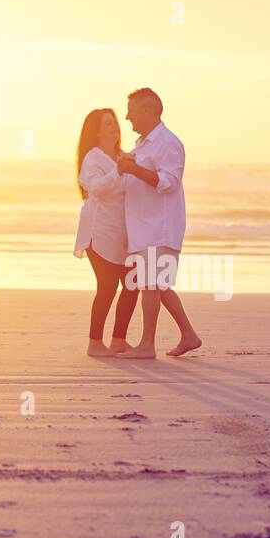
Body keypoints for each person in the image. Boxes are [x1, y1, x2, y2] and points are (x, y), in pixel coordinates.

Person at [115, 87, 202, 359]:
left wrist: (133, 169)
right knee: (159, 286)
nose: (127, 117)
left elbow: (168, 182)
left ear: (148, 110)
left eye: (131, 111)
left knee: (151, 286)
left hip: (160, 227)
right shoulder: (143, 144)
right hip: (143, 227)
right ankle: (189, 335)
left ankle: (146, 346)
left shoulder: (168, 143)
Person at [72, 108, 138, 356]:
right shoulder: (94, 157)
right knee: (107, 286)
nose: (114, 127)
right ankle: (95, 343)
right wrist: (118, 171)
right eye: (108, 124)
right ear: (97, 130)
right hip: (98, 232)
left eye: (115, 123)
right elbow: (97, 188)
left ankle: (119, 339)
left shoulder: (123, 155)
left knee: (133, 284)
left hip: (123, 233)